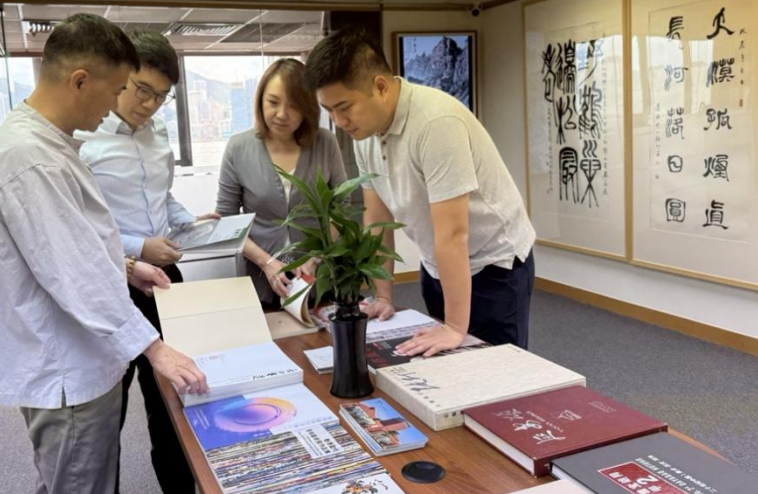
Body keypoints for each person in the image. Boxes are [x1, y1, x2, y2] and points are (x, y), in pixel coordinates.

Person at [0, 14, 207, 494]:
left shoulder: (46, 143)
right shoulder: (29, 157)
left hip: (83, 346)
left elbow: (72, 243)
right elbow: (71, 272)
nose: (116, 106)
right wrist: (154, 348)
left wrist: (125, 266)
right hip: (68, 362)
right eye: (117, 89)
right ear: (80, 80)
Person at [304, 28, 536, 356]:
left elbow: (453, 233)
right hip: (438, 262)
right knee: (442, 361)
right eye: (329, 110)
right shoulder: (365, 133)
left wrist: (454, 327)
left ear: (380, 87)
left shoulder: (435, 122)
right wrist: (383, 295)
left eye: (344, 107)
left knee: (496, 369)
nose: (338, 121)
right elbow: (377, 220)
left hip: (493, 264)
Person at [77, 31, 219, 494]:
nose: (149, 104)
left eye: (161, 96)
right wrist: (138, 246)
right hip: (108, 285)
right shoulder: (83, 139)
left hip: (162, 283)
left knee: (173, 401)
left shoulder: (157, 136)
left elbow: (161, 200)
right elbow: (78, 225)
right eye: (141, 89)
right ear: (121, 77)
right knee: (106, 418)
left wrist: (189, 222)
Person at [216, 58, 347, 307]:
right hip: (259, 278)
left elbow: (342, 207)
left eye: (294, 105)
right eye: (273, 102)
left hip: (318, 276)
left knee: (318, 330)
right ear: (260, 101)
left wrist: (316, 258)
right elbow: (227, 220)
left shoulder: (325, 142)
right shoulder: (238, 147)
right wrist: (267, 263)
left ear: (307, 107)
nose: (282, 114)